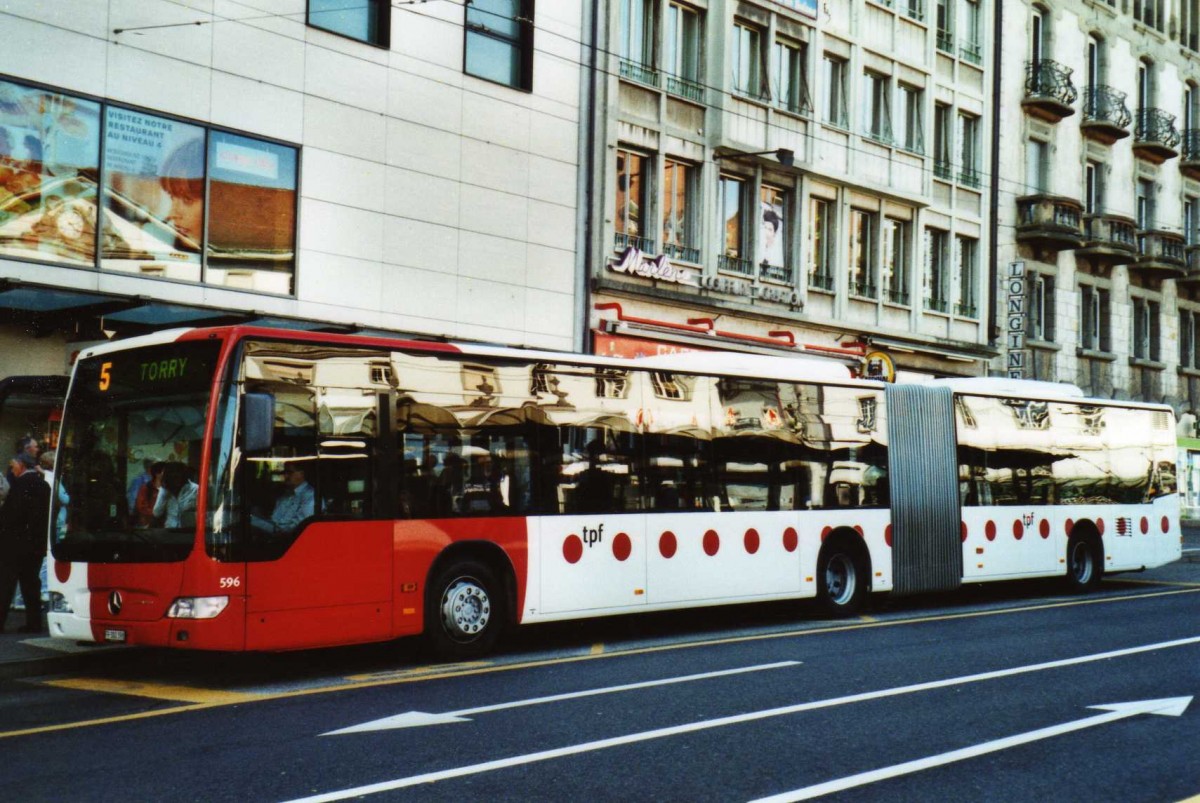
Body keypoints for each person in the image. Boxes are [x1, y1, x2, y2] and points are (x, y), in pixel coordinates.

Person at [0, 453, 50, 633]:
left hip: (14, 544)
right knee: (31, 583)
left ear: (21, 465)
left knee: (6, 584)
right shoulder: (44, 486)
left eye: (13, 466)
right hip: (35, 544)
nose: (12, 469)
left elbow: (9, 516)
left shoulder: (18, 486)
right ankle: (34, 622)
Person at [251, 463, 315, 536]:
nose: (285, 476)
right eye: (285, 472)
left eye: (289, 472)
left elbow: (295, 530)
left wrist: (253, 521)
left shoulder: (310, 497)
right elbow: (275, 522)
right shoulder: (285, 495)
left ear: (301, 474)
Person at [151, 462, 198, 528]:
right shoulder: (165, 489)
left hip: (188, 531)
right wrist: (163, 492)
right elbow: (156, 513)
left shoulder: (195, 489)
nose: (175, 482)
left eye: (177, 477)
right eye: (171, 478)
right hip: (169, 530)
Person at [135, 462, 165, 527]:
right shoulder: (146, 488)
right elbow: (141, 506)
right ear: (157, 474)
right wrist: (155, 514)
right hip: (148, 524)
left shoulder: (167, 489)